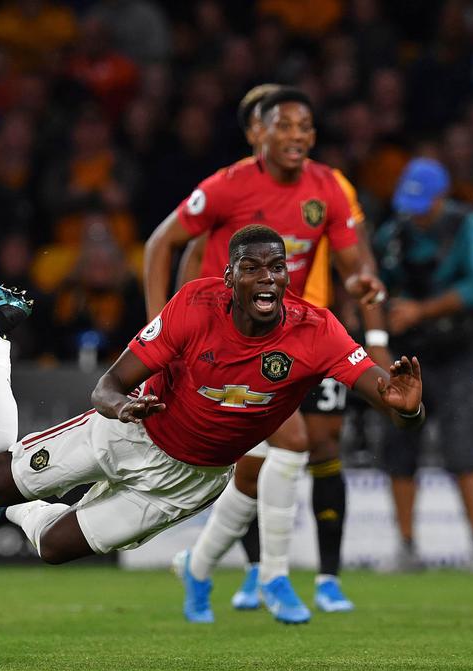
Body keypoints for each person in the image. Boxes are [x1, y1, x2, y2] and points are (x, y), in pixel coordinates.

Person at [0, 226, 423, 591]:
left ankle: (12, 513)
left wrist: (408, 410)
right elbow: (108, 386)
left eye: (277, 267)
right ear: (230, 277)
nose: (266, 277)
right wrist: (122, 408)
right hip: (130, 433)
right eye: (251, 267)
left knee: (54, 547)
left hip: (189, 482)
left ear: (287, 276)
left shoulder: (317, 331)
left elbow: (390, 400)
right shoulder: (196, 305)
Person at [143, 87, 386, 623]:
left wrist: (363, 291)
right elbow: (163, 243)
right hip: (220, 339)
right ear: (259, 133)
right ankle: (274, 576)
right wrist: (157, 332)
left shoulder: (327, 187)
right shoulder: (228, 186)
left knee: (257, 469)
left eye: (305, 126)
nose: (296, 136)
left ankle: (200, 567)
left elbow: (355, 265)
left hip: (285, 337)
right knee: (293, 442)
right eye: (284, 125)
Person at [373, 158, 473, 574]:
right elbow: (372, 284)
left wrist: (420, 311)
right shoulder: (392, 234)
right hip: (407, 354)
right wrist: (382, 323)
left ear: (442, 197)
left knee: (464, 448)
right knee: (399, 448)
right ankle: (406, 547)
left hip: (460, 352)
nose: (416, 214)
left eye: (423, 205)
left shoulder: (469, 227)